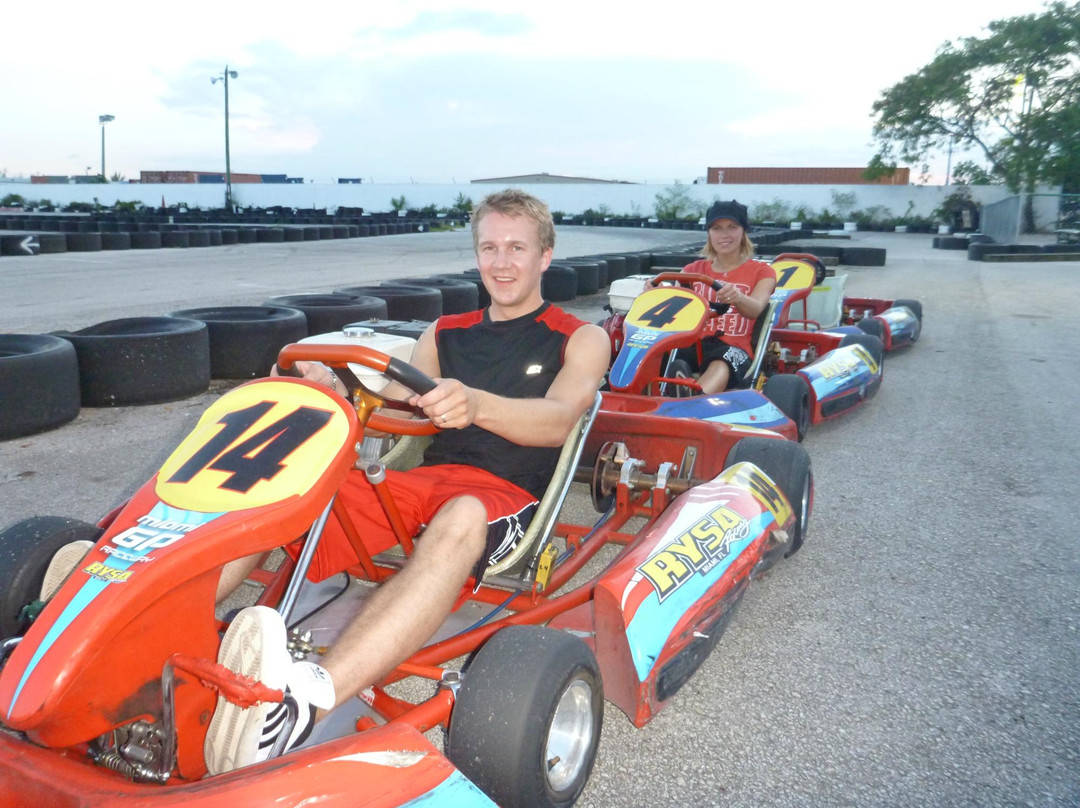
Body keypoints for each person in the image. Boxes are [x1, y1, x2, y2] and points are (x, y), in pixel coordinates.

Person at [204, 188, 611, 774]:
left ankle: (305, 705)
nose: (501, 262)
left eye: (517, 248)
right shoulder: (446, 332)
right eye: (489, 247)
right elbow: (394, 396)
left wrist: (475, 403)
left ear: (545, 255)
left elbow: (557, 421)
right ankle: (153, 619)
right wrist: (333, 383)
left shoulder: (578, 336)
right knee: (288, 482)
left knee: (463, 513)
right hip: (423, 481)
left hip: (504, 497)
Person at [674, 200, 776, 394]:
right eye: (717, 228)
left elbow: (755, 309)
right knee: (660, 352)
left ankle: (692, 400)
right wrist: (656, 292)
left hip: (734, 347)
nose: (724, 235)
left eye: (732, 227)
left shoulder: (763, 272)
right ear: (709, 233)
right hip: (693, 343)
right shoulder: (691, 271)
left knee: (721, 361)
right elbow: (675, 310)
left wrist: (738, 297)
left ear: (743, 231)